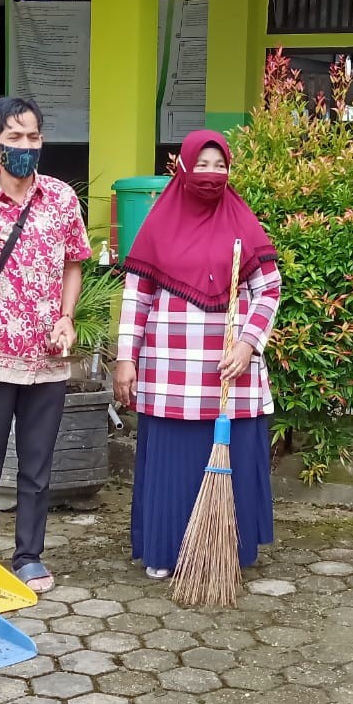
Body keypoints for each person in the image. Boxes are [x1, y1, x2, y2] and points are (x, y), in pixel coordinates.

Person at [114, 131, 281, 579]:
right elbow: (137, 298)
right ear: (185, 167)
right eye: (202, 165)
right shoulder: (157, 225)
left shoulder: (243, 224)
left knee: (232, 455)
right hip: (170, 368)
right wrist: (125, 358)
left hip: (232, 369)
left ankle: (227, 548)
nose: (211, 174)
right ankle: (167, 550)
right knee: (175, 459)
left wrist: (247, 345)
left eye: (219, 165)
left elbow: (269, 290)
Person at [0, 96, 90, 595]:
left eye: (33, 137)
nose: (25, 147)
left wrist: (66, 317)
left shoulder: (62, 199)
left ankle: (28, 554)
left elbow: (75, 261)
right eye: (14, 138)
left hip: (46, 361)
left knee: (37, 465)